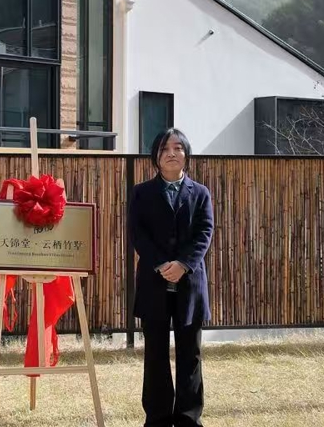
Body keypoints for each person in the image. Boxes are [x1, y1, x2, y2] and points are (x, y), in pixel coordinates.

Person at [129, 128, 215, 427]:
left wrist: (183, 264)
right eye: (165, 148)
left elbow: (204, 232)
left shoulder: (200, 193)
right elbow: (138, 234)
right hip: (154, 283)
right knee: (155, 354)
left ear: (186, 155)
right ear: (155, 156)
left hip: (190, 283)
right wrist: (162, 264)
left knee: (190, 354)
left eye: (178, 148)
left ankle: (189, 418)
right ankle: (158, 418)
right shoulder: (141, 192)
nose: (171, 153)